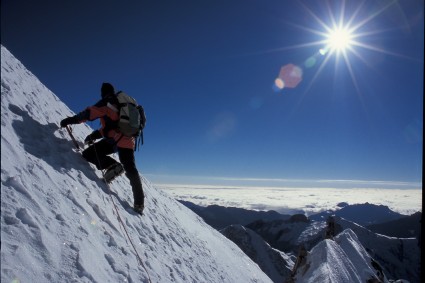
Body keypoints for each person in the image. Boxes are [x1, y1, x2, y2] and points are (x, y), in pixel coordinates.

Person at [60, 82, 145, 215]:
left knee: (88, 154)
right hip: (128, 141)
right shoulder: (124, 103)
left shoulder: (107, 103)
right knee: (131, 170)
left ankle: (113, 166)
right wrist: (93, 135)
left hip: (114, 140)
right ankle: (139, 204)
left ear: (103, 93)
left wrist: (69, 120)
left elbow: (87, 114)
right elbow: (110, 127)